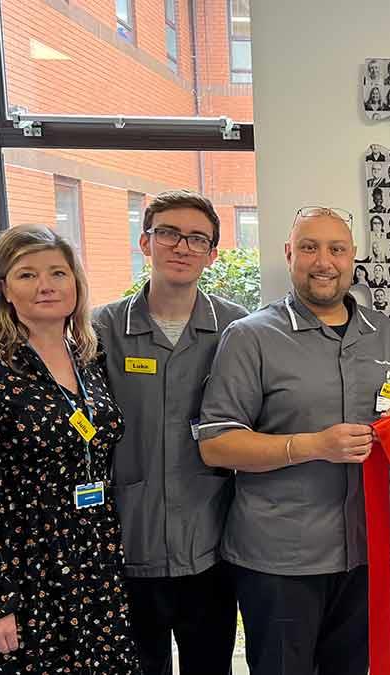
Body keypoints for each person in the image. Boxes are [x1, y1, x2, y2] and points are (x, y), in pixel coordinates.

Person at [198, 207, 390, 675]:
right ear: (289, 254)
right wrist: (314, 446)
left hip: (368, 548)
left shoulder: (382, 333)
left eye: (337, 249)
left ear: (353, 258)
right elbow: (216, 444)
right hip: (282, 559)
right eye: (309, 247)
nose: (324, 261)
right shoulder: (250, 337)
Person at [0, 225, 140, 673]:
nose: (46, 286)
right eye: (27, 275)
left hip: (93, 559)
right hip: (23, 568)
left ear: (76, 284)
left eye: (58, 273)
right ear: (4, 288)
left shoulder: (89, 357)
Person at [93, 190, 247, 675]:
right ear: (146, 242)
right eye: (169, 233)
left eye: (197, 238)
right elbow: (53, 415)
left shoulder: (238, 330)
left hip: (211, 544)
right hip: (125, 544)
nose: (182, 246)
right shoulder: (101, 329)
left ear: (213, 253)